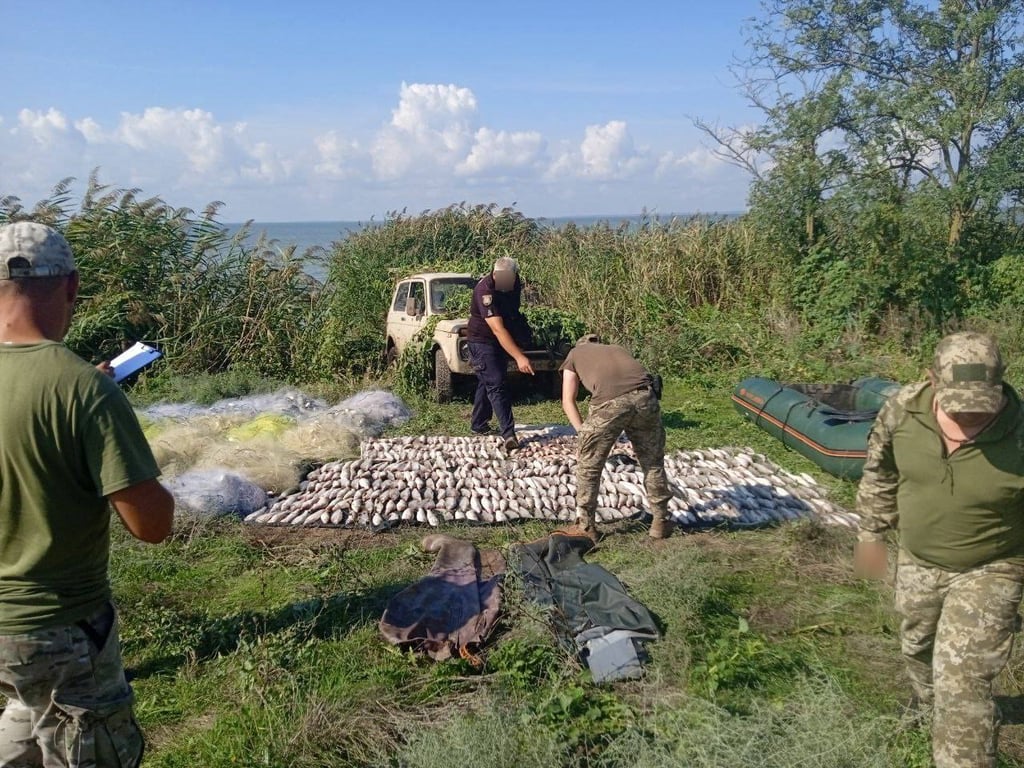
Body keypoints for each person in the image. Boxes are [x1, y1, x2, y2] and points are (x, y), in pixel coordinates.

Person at [0, 221, 175, 767]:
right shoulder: (81, 388)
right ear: (72, 286)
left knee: (23, 711)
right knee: (85, 740)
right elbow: (152, 526)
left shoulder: (76, 385)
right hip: (57, 623)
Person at [855, 331, 1024, 768]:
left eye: (981, 405)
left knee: (962, 679)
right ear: (931, 380)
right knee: (918, 648)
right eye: (959, 404)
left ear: (1002, 385)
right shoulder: (901, 410)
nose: (969, 416)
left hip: (992, 566)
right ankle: (934, 710)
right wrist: (872, 533)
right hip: (918, 558)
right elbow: (880, 470)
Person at [559, 334, 674, 542]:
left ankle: (586, 526)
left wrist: (583, 431)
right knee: (652, 461)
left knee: (589, 465)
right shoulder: (617, 348)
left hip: (610, 404)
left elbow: (568, 400)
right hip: (646, 398)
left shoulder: (574, 355)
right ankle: (661, 520)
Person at [467, 256, 534, 452]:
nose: (507, 283)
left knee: (488, 380)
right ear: (494, 274)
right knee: (496, 384)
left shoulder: (515, 283)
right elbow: (497, 329)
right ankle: (508, 434)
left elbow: (512, 311)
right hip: (482, 340)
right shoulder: (484, 290)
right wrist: (519, 356)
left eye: (511, 279)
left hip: (500, 339)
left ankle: (478, 424)